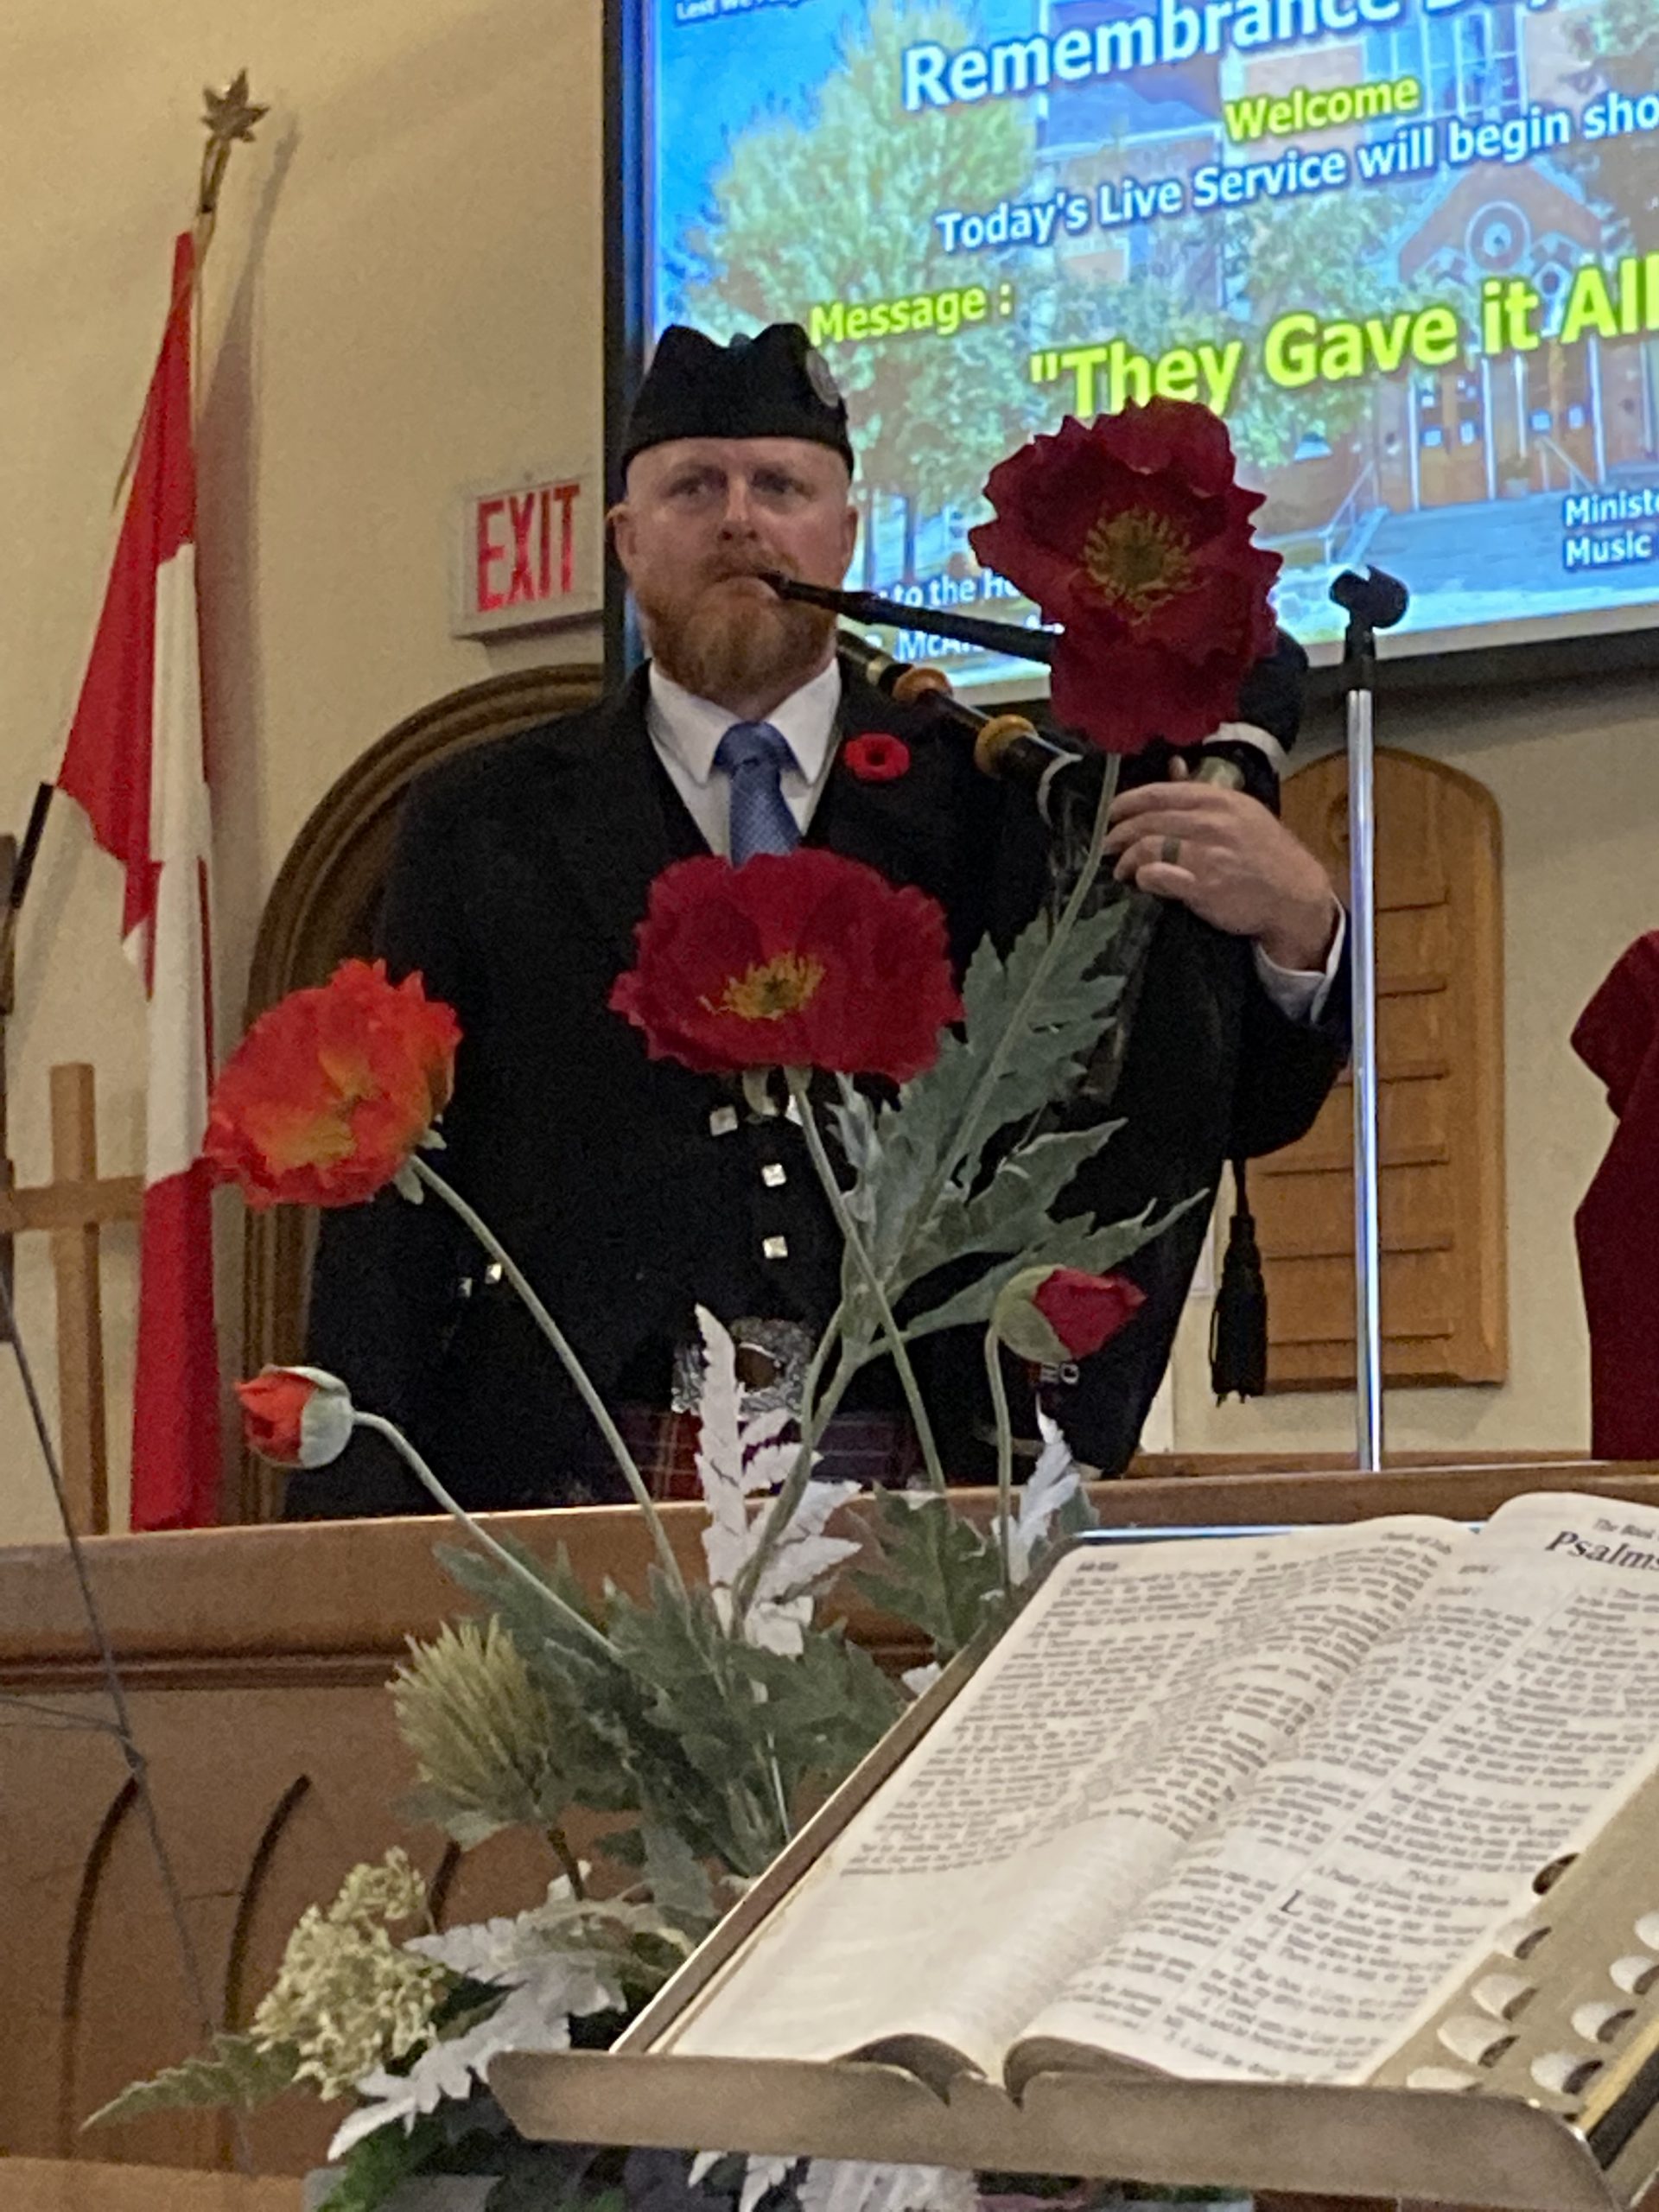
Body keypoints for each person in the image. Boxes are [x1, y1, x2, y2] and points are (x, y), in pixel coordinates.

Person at [291, 323, 1346, 1518]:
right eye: (694, 486)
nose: (740, 520)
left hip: (938, 1469)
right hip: (577, 1479)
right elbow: (391, 1193)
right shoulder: (477, 822)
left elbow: (1207, 1102)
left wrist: (1297, 930)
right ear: (627, 544)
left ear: (847, 535)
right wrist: (355, 1533)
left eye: (781, 486)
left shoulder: (1008, 801)